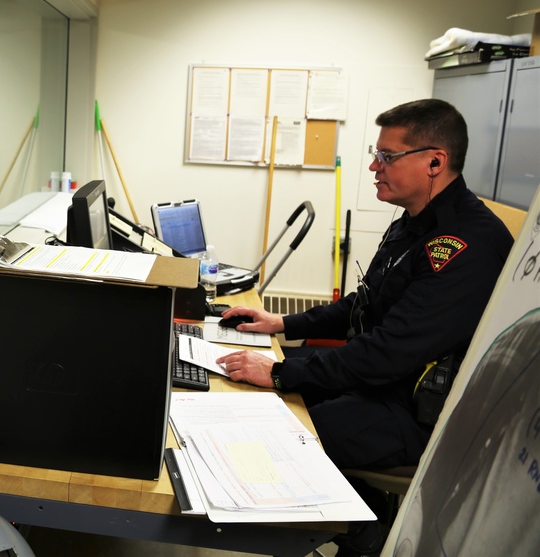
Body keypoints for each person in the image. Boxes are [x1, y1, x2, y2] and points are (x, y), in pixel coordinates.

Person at [215, 99, 514, 556]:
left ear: (435, 161)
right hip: (378, 382)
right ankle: (361, 504)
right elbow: (364, 305)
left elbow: (388, 352)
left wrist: (279, 373)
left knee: (276, 431)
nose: (374, 167)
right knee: (247, 384)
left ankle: (360, 527)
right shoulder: (415, 224)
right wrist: (281, 323)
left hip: (416, 414)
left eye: (388, 157)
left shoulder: (464, 245)